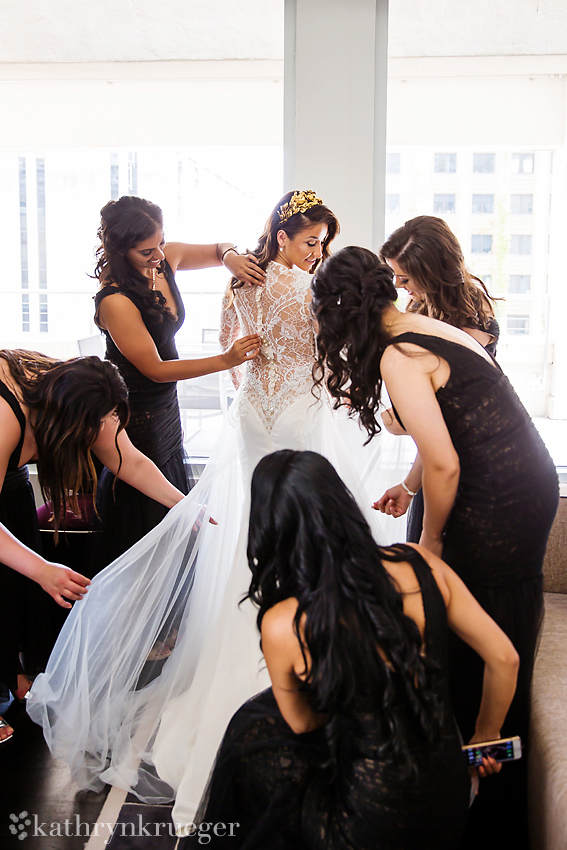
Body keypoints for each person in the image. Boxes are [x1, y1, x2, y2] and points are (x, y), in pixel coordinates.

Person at [28, 191, 399, 831]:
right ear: (282, 236)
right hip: (290, 419)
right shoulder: (307, 294)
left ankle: (232, 647)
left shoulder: (236, 286)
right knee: (312, 523)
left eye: (322, 243)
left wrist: (255, 373)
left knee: (250, 537)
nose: (318, 253)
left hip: (254, 417)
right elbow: (324, 360)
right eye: (310, 241)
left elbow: (235, 353)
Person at [311, 246, 559, 849]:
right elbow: (448, 433)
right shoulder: (425, 325)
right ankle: (477, 770)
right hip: (525, 481)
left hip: (497, 496)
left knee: (473, 615)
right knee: (482, 617)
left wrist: (430, 538)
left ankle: (485, 789)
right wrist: (409, 485)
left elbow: (447, 459)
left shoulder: (399, 353)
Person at [189, 450, 519, 850]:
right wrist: (486, 736)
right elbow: (505, 658)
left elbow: (304, 724)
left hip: (367, 819)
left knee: (250, 733)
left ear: (270, 528)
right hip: (447, 794)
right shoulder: (420, 562)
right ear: (343, 504)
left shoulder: (283, 623)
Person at [0, 350, 188, 743]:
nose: (96, 437)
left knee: (12, 591)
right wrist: (41, 568)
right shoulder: (6, 416)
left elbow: (129, 461)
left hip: (10, 484)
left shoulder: (91, 398)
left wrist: (187, 508)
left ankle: (9, 676)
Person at [92, 195, 262, 566]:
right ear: (120, 251)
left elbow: (218, 249)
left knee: (171, 504)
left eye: (161, 244)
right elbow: (155, 368)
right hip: (136, 417)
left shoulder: (163, 257)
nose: (158, 257)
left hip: (165, 408)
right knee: (147, 519)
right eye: (146, 252)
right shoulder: (115, 300)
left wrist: (231, 256)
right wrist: (226, 360)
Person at [378, 215, 500, 541]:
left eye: (406, 279)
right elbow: (435, 436)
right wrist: (409, 486)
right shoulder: (420, 308)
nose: (401, 289)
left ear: (432, 271)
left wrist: (404, 423)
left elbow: (452, 415)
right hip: (439, 461)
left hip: (477, 468)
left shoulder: (474, 315)